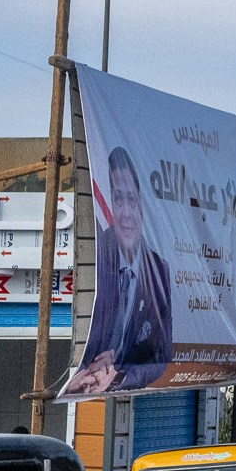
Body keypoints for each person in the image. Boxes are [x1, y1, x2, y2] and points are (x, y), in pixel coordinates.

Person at [64, 144, 175, 395]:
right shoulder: (95, 257)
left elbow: (162, 355)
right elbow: (79, 340)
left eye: (132, 200)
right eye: (118, 199)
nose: (126, 213)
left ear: (144, 206)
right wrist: (91, 368)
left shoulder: (158, 271)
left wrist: (121, 376)